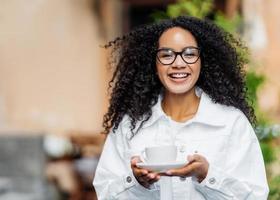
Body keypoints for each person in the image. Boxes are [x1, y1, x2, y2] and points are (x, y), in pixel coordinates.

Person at [93, 16, 269, 199]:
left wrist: (207, 176)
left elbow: (255, 197)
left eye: (190, 54)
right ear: (154, 63)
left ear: (203, 60)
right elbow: (105, 194)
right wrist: (136, 183)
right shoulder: (129, 124)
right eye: (166, 55)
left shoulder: (231, 122)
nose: (178, 63)